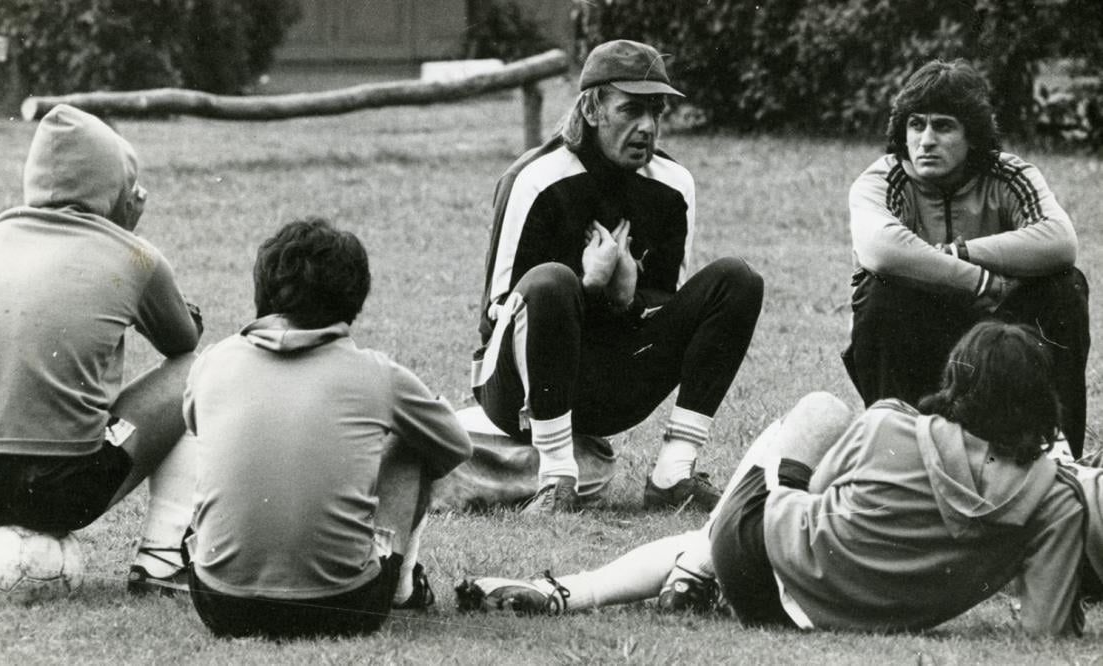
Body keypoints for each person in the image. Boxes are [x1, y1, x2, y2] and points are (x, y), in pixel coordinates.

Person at [458, 321, 1090, 637]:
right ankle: (684, 569)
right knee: (738, 526)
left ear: (957, 380)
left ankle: (590, 588)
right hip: (829, 620)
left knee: (818, 410)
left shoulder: (893, 426)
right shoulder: (1056, 503)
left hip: (760, 563)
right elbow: (1046, 628)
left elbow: (824, 490)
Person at [472, 39, 764, 514]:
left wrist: (627, 297)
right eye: (631, 110)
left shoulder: (673, 186)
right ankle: (556, 480)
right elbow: (498, 310)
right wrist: (585, 287)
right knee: (551, 281)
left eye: (657, 112)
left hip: (610, 386)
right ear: (591, 107)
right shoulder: (534, 179)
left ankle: (674, 472)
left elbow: (668, 309)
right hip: (516, 392)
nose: (647, 127)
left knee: (738, 279)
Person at [183, 219, 473, 639]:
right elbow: (452, 445)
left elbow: (195, 425)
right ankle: (403, 584)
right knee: (414, 445)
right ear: (356, 299)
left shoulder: (213, 360)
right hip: (343, 607)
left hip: (220, 604)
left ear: (261, 290)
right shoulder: (377, 373)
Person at [0, 104, 203, 595]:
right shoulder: (135, 255)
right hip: (65, 488)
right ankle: (159, 557)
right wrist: (125, 229)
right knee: (200, 371)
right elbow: (183, 342)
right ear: (117, 187)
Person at [844, 58, 1090, 458]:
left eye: (943, 126)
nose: (925, 140)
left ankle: (1060, 461)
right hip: (918, 346)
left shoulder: (1009, 175)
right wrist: (978, 280)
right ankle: (893, 461)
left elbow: (1060, 241)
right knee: (878, 293)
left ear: (973, 135)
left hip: (998, 348)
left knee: (1065, 286)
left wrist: (962, 251)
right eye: (916, 124)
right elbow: (881, 249)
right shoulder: (884, 178)